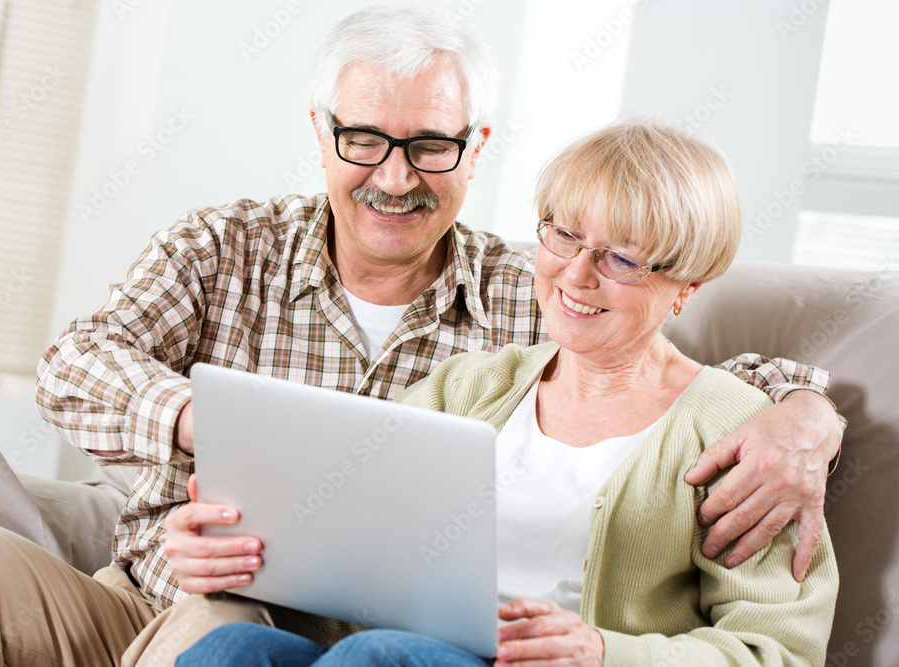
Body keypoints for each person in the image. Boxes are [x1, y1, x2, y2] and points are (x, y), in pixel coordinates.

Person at [0, 5, 842, 667]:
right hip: (161, 583)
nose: (395, 177)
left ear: (476, 150)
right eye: (365, 140)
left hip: (304, 618)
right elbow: (72, 363)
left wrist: (805, 412)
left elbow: (693, 384)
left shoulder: (536, 298)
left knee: (234, 634)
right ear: (321, 133)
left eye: (430, 145)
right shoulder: (236, 249)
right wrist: (201, 424)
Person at [176, 118, 839, 667]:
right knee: (229, 647)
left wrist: (605, 651)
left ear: (688, 284)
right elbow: (349, 545)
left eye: (622, 258)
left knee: (380, 658)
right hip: (401, 654)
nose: (576, 275)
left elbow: (776, 651)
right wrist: (238, 550)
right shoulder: (470, 387)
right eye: (563, 234)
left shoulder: (744, 438)